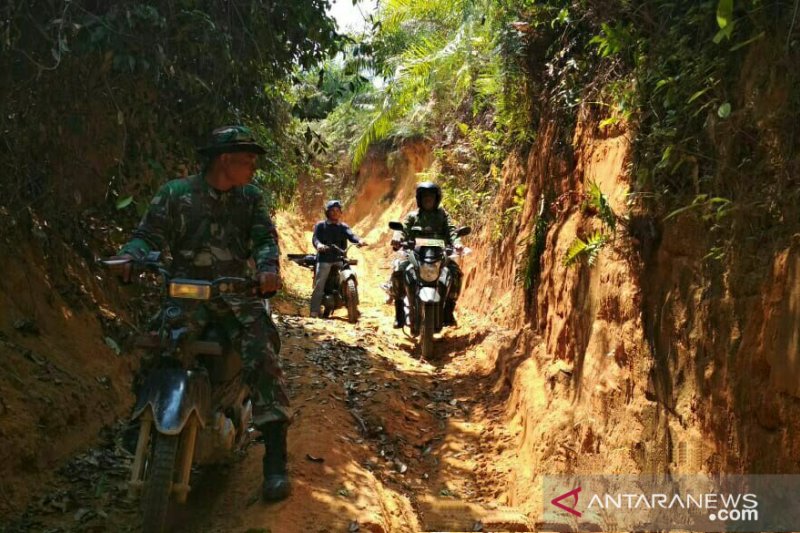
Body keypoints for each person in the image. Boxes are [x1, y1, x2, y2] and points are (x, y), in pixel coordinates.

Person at [109, 125, 291, 502]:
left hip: (238, 298)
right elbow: (148, 235)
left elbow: (263, 239)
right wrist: (131, 255)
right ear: (224, 159)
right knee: (155, 345)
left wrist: (268, 268)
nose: (253, 167)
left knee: (263, 356)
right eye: (248, 159)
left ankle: (275, 461)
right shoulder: (175, 194)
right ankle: (142, 418)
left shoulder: (251, 199)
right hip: (185, 295)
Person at [390, 182, 464, 328]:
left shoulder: (443, 215)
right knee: (398, 270)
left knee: (456, 274)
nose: (428, 200)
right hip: (415, 253)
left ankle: (448, 312)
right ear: (419, 199)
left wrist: (457, 242)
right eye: (424, 197)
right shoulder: (413, 216)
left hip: (439, 254)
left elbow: (452, 231)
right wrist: (397, 237)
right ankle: (399, 314)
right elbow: (403, 229)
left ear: (437, 199)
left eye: (431, 197)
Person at [310, 200, 366, 317]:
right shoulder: (321, 225)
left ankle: (354, 306)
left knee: (352, 277)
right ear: (327, 213)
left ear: (340, 212)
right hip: (324, 259)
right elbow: (315, 239)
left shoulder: (343, 227)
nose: (335, 213)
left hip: (340, 258)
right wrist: (319, 246)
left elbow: (352, 235)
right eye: (332, 211)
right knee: (320, 284)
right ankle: (314, 310)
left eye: (337, 211)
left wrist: (359, 240)